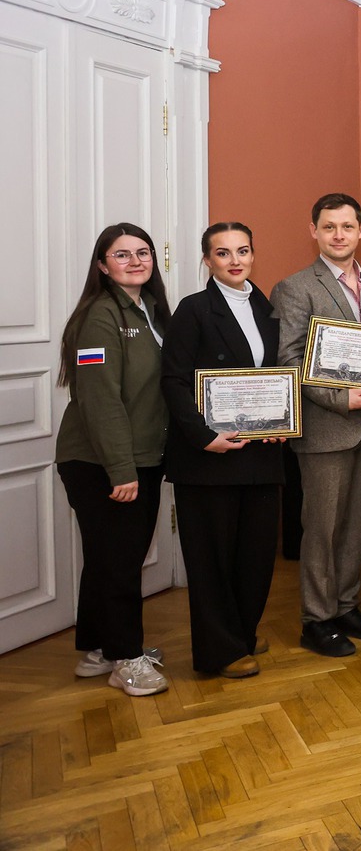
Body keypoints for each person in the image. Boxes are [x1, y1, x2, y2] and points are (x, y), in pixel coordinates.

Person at [160, 222, 283, 679]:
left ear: (253, 255)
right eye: (223, 252)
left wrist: (280, 421)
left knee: (254, 555)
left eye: (243, 251)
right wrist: (202, 435)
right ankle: (219, 651)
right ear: (207, 260)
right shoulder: (193, 310)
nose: (235, 260)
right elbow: (173, 381)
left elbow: (277, 374)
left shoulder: (267, 307)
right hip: (207, 457)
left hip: (259, 455)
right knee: (211, 559)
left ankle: (242, 634)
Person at [272, 193, 361, 658]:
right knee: (322, 529)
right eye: (329, 227)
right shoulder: (295, 287)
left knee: (357, 524)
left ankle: (345, 606)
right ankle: (316, 620)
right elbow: (289, 359)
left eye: (347, 226)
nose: (338, 235)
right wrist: (340, 398)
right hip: (325, 427)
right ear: (314, 232)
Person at [55, 223, 172, 696]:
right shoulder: (101, 316)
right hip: (101, 463)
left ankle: (100, 648)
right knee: (120, 562)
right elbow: (100, 400)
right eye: (121, 255)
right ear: (103, 265)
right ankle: (127, 660)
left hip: (141, 455)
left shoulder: (151, 310)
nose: (135, 261)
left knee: (109, 558)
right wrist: (120, 470)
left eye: (143, 252)